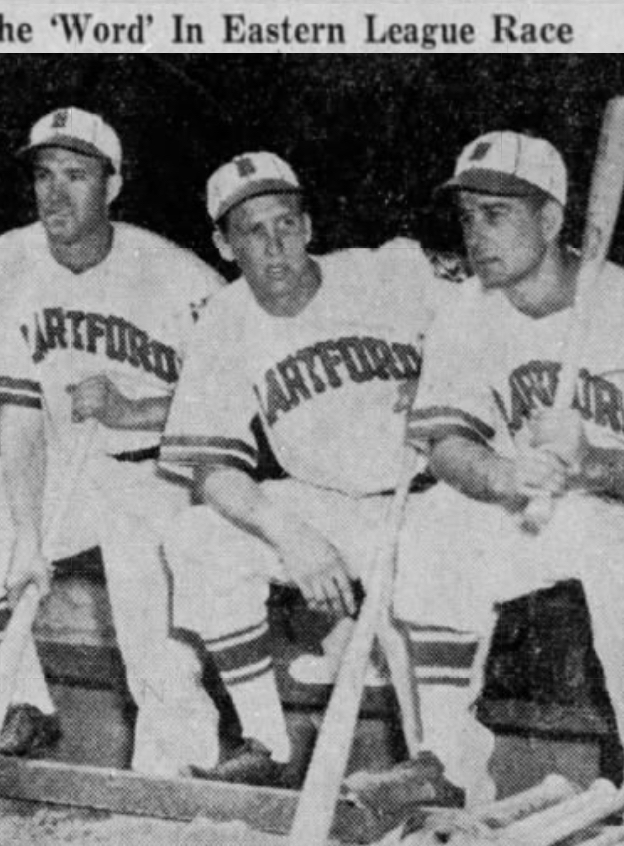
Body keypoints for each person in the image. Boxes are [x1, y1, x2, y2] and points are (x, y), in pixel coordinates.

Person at [392, 131, 624, 810]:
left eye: (497, 215)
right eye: (468, 217)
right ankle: (447, 765)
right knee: (432, 526)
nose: (476, 235)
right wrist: (502, 475)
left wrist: (591, 463)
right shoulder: (464, 311)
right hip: (543, 509)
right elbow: (448, 441)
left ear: (550, 219)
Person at [161, 152, 454, 785]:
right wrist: (292, 537)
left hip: (429, 496)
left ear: (309, 226)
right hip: (325, 503)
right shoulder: (226, 319)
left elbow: (495, 321)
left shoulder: (391, 270)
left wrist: (448, 375)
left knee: (417, 621)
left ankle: (441, 771)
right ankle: (269, 743)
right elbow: (211, 470)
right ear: (223, 244)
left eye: (286, 224)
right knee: (198, 536)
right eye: (251, 231)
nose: (275, 246)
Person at [0, 106, 223, 775]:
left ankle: (181, 791)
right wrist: (25, 533)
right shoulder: (6, 262)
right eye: (44, 174)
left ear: (113, 184)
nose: (56, 191)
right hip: (60, 466)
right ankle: (27, 705)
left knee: (158, 659)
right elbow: (16, 404)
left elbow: (231, 405)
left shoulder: (179, 275)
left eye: (76, 174)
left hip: (157, 471)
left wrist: (133, 409)